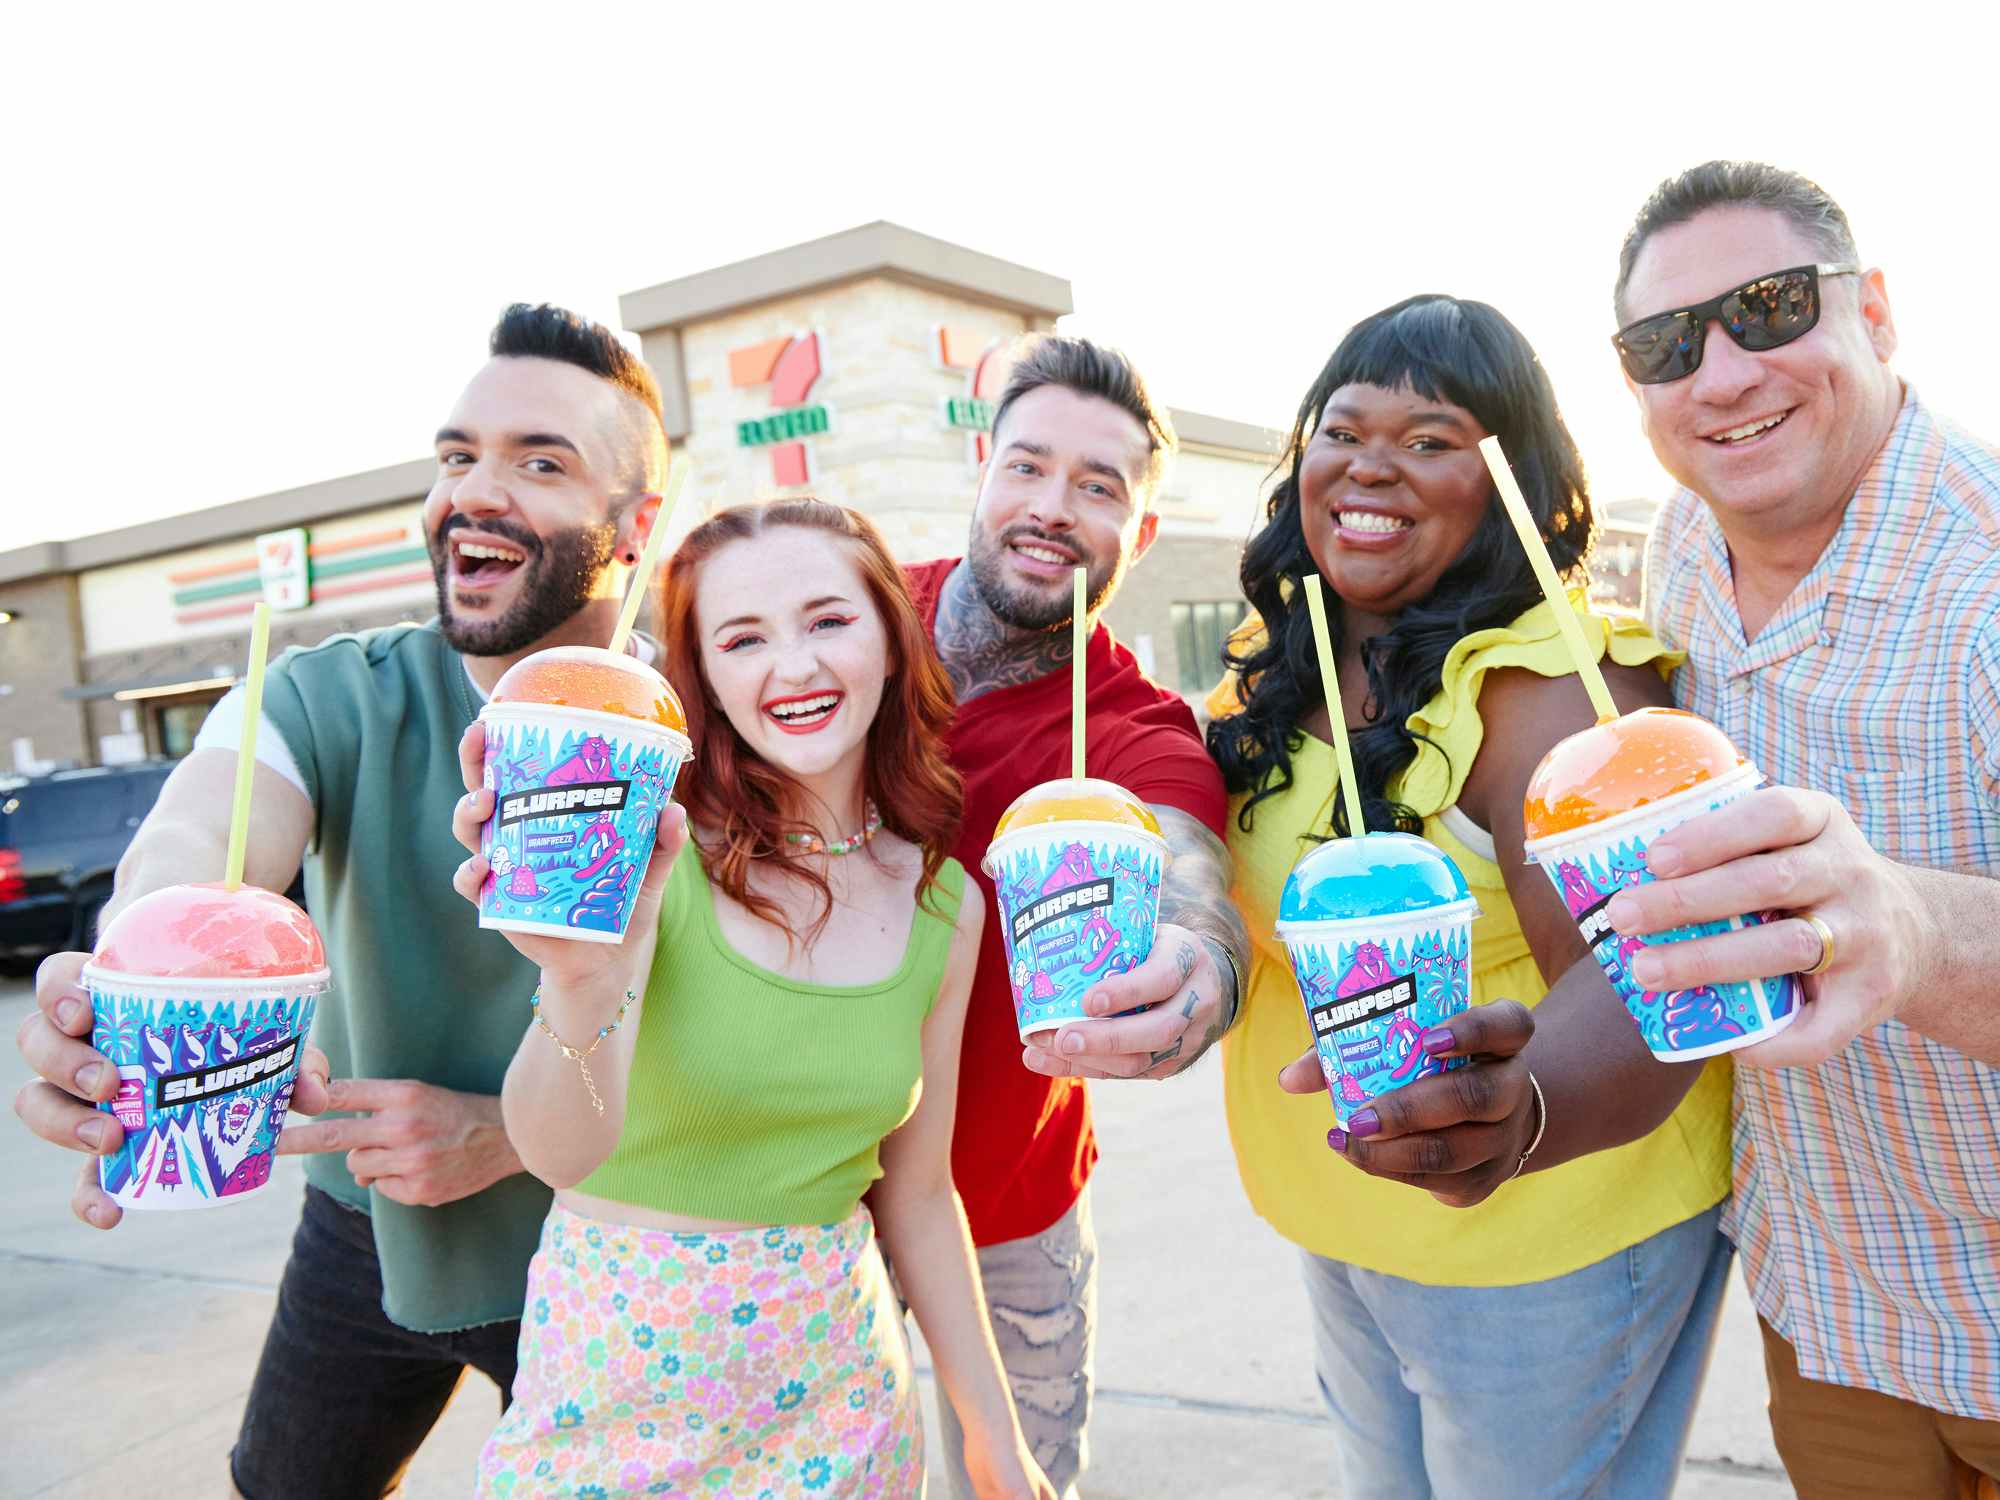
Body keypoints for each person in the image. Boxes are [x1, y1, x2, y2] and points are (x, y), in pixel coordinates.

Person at [1324, 164, 2000, 1498]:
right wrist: (1536, 1079)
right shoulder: (1685, 543)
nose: (1724, 373)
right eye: (1666, 344)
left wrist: (1910, 931)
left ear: (1872, 308)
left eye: (1768, 308)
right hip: (1837, 1321)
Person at [11, 303, 677, 1499]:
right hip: (362, 1219)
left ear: (633, 527)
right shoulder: (326, 695)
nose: (474, 492)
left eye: (540, 461)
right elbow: (193, 848)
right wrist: (118, 989)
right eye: (456, 456)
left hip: (620, 1227)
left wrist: (506, 1131)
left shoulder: (686, 726)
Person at [1202, 294, 1735, 1500]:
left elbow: (1646, 971)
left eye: (1429, 438)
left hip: (1543, 1245)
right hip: (1351, 1215)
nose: (1367, 465)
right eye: (1341, 430)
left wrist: (1522, 1109)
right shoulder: (1304, 657)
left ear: (1511, 477)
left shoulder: (1551, 685)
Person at [448, 499, 1054, 1498]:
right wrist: (577, 972)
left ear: (893, 644)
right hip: (612, 1402)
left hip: (841, 1405)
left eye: (828, 621)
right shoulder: (644, 858)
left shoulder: (949, 903)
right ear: (707, 685)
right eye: (742, 639)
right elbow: (556, 1153)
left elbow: (916, 1193)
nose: (794, 667)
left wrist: (993, 1437)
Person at [905, 335, 1247, 1499]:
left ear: (1138, 537)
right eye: (1028, 467)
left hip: (1011, 1210)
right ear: (982, 468)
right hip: (791, 1191)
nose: (1053, 509)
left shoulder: (1137, 730)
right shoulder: (844, 621)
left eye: (1098, 488)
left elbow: (1189, 871)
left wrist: (1197, 969)